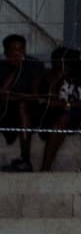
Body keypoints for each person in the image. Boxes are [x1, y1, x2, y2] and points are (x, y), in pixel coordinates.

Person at [37, 46, 81, 172]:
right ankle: (45, 167)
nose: (57, 67)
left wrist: (69, 105)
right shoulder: (54, 76)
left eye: (60, 64)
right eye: (55, 64)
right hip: (71, 115)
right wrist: (56, 81)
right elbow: (50, 102)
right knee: (60, 122)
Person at [0, 33, 40, 170]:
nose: (18, 54)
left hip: (28, 110)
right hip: (5, 110)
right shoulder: (2, 67)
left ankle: (25, 159)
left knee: (22, 106)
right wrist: (15, 71)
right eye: (14, 50)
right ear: (6, 53)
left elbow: (34, 96)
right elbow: (2, 93)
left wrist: (14, 97)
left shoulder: (34, 65)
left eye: (21, 49)